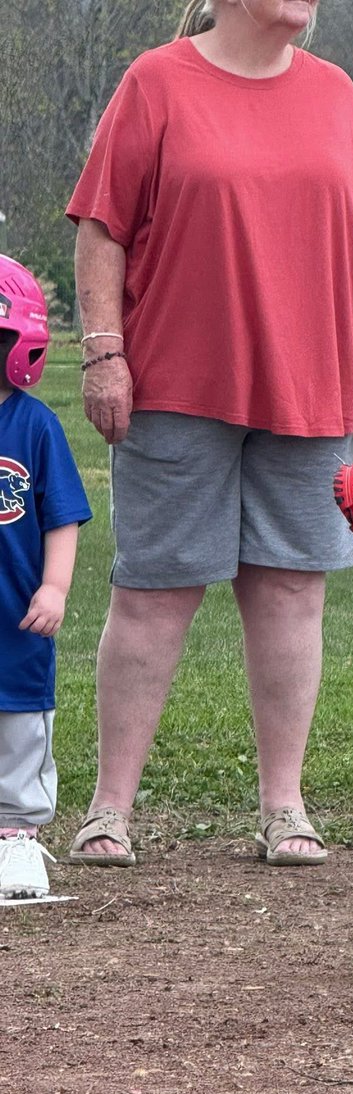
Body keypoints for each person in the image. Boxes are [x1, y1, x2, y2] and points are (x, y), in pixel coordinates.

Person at [65, 0, 353, 868]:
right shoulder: (156, 82)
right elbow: (102, 229)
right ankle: (110, 809)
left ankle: (284, 806)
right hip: (179, 378)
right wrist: (104, 352)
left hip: (314, 379)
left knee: (293, 590)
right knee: (154, 592)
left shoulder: (338, 95)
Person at [0, 256, 92, 898]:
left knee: (19, 731)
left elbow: (62, 517)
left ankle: (17, 840)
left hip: (15, 617)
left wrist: (55, 586)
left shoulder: (35, 425)